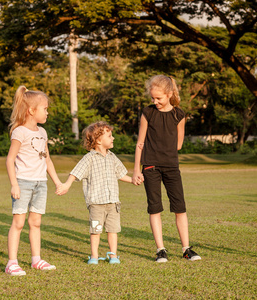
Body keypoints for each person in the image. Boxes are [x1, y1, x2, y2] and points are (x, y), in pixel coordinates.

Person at [132, 75, 201, 263]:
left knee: (180, 207)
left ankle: (186, 249)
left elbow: (179, 144)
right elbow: (140, 143)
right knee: (155, 208)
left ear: (169, 94)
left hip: (171, 166)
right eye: (153, 98)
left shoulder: (180, 115)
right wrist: (137, 170)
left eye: (159, 98)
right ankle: (160, 250)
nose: (155, 101)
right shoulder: (148, 112)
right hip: (150, 166)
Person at [57, 121, 142, 264]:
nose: (113, 138)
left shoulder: (112, 157)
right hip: (96, 203)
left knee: (112, 230)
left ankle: (113, 255)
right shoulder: (89, 158)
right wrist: (66, 184)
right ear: (98, 140)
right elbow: (75, 173)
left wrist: (133, 180)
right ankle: (94, 256)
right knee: (95, 230)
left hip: (112, 202)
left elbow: (120, 174)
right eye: (109, 135)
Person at [5, 86, 62, 276]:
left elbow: (47, 159)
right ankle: (12, 263)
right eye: (45, 109)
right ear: (31, 110)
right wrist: (14, 184)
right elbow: (10, 159)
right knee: (19, 223)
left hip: (40, 183)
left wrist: (57, 182)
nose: (47, 112)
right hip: (23, 183)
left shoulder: (43, 132)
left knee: (35, 222)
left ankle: (36, 260)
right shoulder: (19, 132)